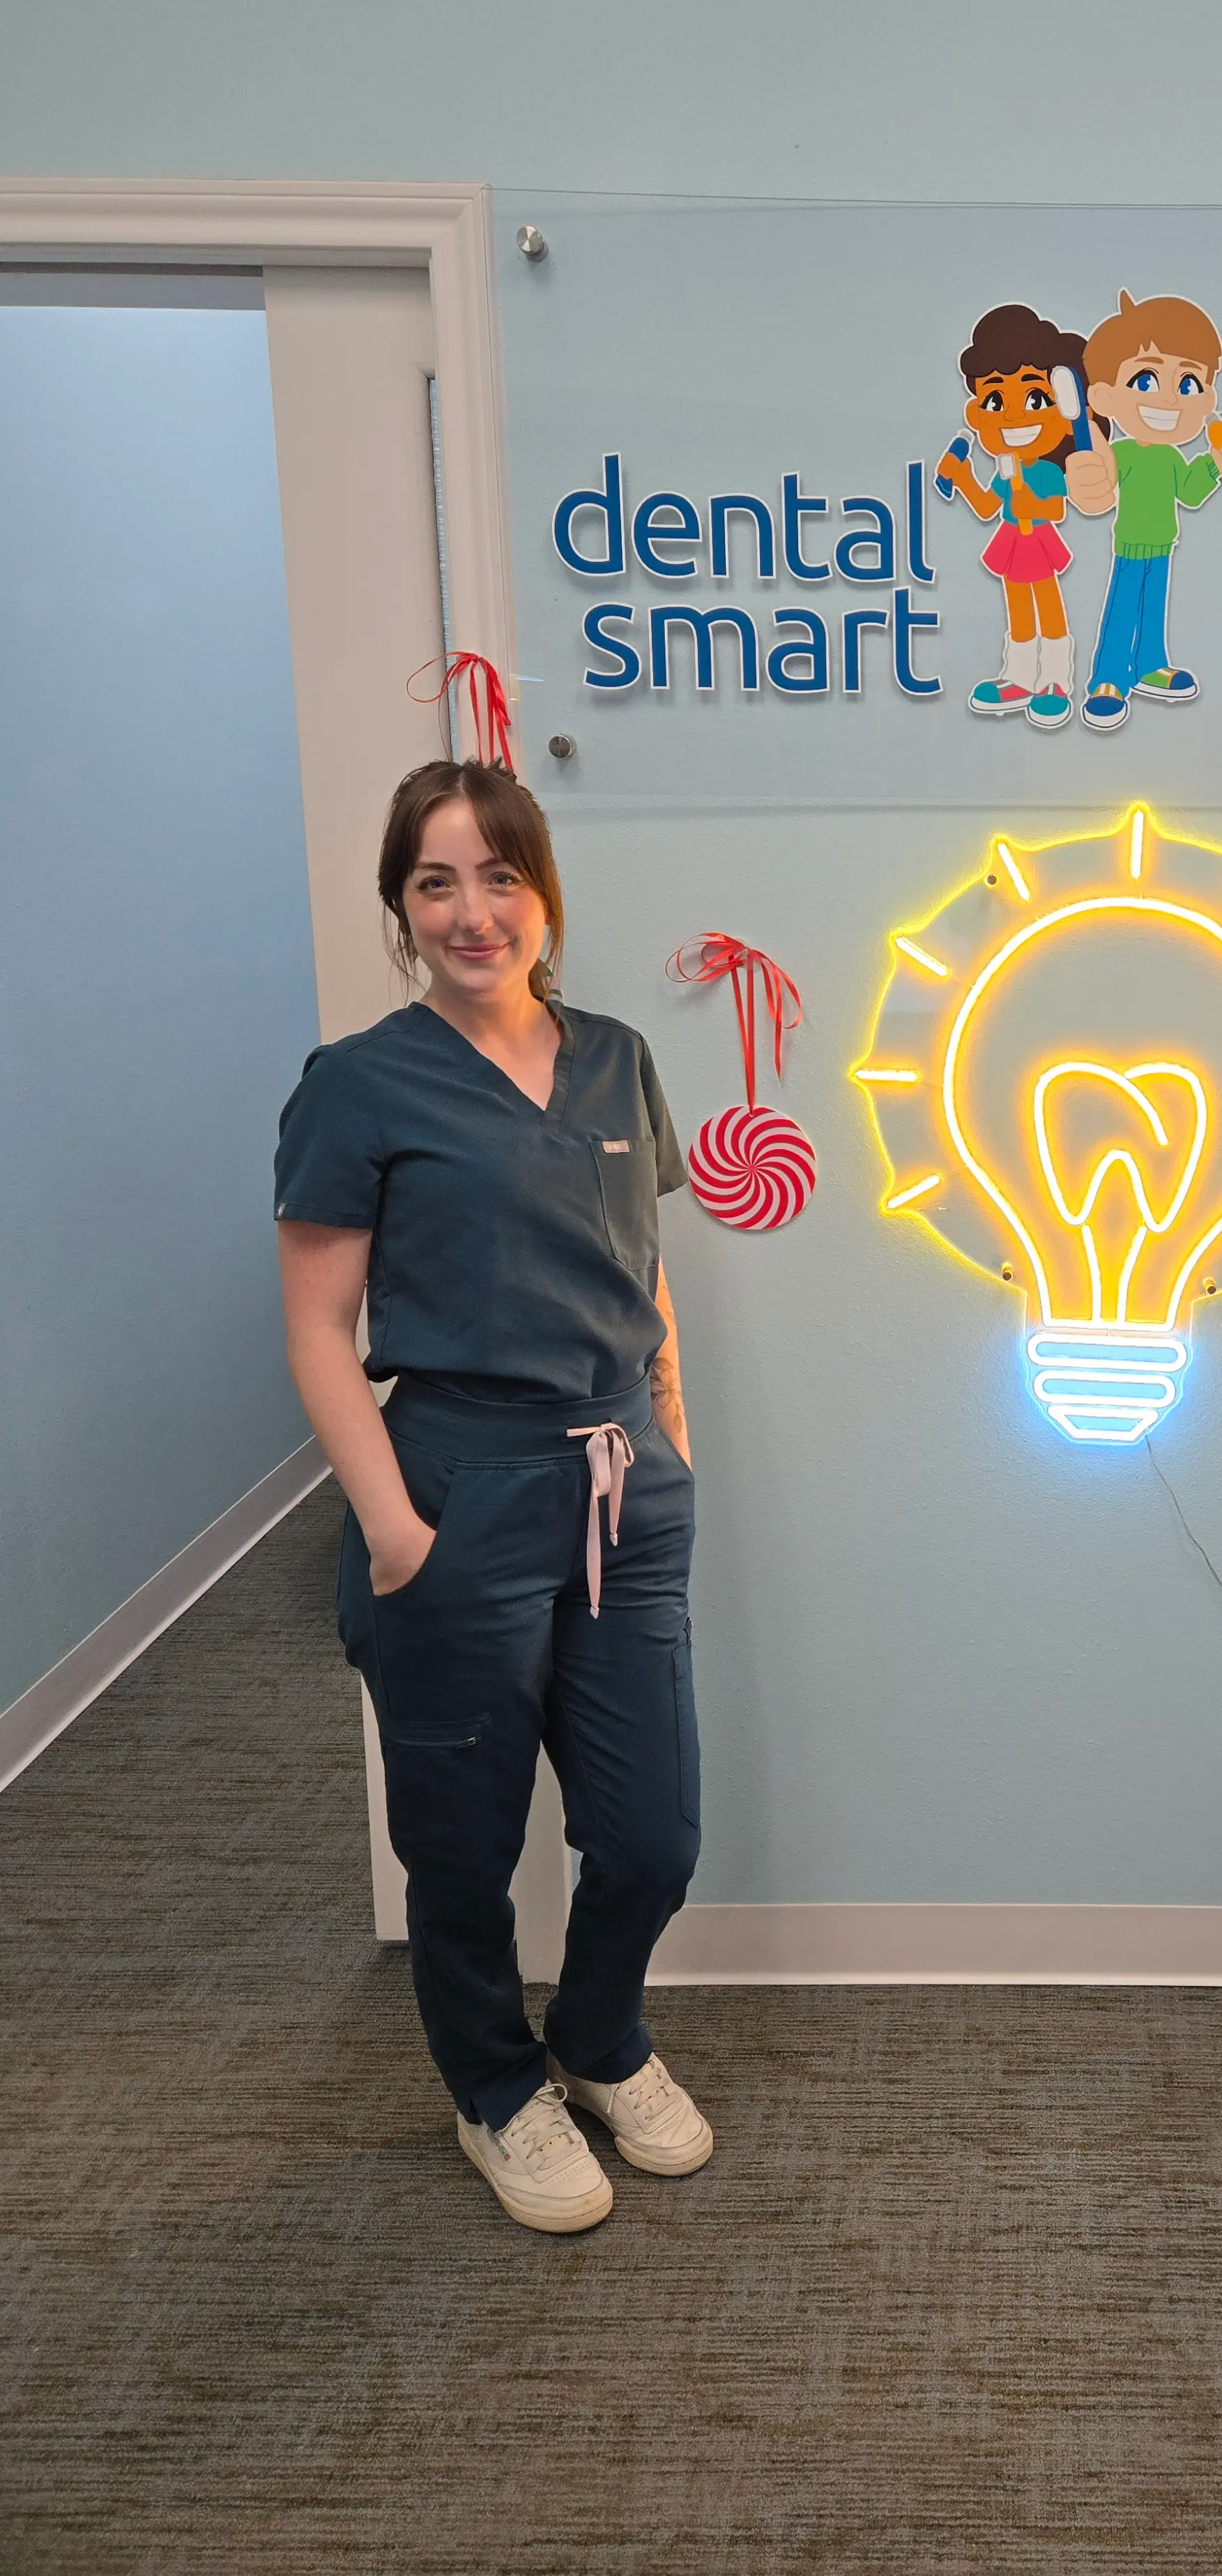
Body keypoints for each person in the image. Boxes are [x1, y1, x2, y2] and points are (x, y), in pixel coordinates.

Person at [275, 759, 711, 2234]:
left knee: (651, 1829)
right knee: (460, 1839)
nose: (476, 910)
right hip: (455, 1484)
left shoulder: (615, 1055)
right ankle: (496, 2086)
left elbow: (640, 1260)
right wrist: (398, 1527)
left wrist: (672, 1429)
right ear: (402, 906)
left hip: (623, 1488)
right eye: (436, 881)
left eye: (501, 874)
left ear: (543, 890)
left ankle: (597, 2036)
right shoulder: (360, 1082)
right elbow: (317, 1328)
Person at [1062, 288, 1222, 731]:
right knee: (1122, 608)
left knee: (1154, 608)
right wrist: (1088, 464)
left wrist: (1214, 462)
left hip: (1163, 543)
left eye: (1188, 384)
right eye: (1145, 381)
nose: (1167, 400)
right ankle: (1107, 680)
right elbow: (1100, 485)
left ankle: (1149, 667)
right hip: (1129, 546)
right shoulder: (1123, 451)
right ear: (1105, 397)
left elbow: (1190, 492)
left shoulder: (1170, 457)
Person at [935, 301, 1087, 727]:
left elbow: (1056, 508)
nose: (1016, 414)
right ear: (977, 411)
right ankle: (1020, 676)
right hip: (1010, 541)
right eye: (997, 398)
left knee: (1049, 605)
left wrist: (1030, 503)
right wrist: (963, 478)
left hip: (1037, 540)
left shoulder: (1044, 470)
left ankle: (1056, 679)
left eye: (1034, 396)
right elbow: (988, 507)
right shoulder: (1007, 469)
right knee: (1018, 609)